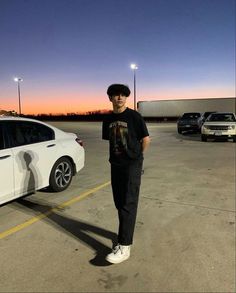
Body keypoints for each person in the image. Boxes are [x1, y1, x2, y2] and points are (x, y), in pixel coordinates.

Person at [102, 83, 150, 264]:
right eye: (116, 95)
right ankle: (124, 237)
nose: (119, 97)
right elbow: (111, 140)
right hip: (115, 165)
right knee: (119, 202)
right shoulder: (107, 119)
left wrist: (138, 159)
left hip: (131, 165)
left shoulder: (134, 116)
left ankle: (124, 246)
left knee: (128, 203)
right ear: (110, 98)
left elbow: (145, 139)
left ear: (126, 97)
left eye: (123, 95)